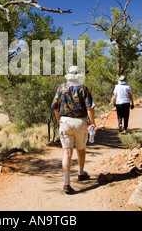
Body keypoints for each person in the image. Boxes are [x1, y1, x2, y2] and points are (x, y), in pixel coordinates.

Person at [51, 66, 97, 195]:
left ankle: (66, 183)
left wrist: (58, 120)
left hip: (64, 121)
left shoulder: (61, 87)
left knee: (67, 153)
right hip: (79, 122)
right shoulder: (83, 88)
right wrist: (92, 123)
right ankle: (81, 173)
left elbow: (55, 106)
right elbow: (90, 107)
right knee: (81, 149)